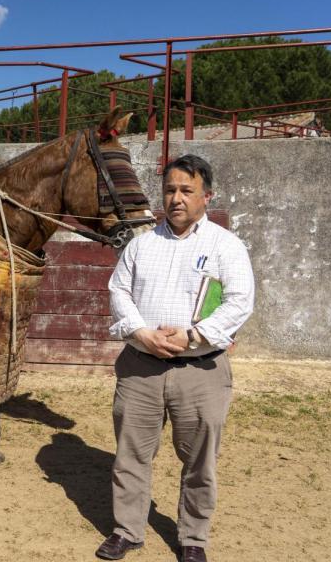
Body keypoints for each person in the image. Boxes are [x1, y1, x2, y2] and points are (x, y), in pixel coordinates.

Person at [98, 154, 255, 562]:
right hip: (140, 367)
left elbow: (239, 302)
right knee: (131, 453)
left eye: (187, 190)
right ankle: (127, 530)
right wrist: (141, 332)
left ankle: (193, 538)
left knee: (200, 459)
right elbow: (119, 293)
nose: (176, 198)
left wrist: (193, 334)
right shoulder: (140, 245)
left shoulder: (226, 246)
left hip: (201, 369)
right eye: (170, 190)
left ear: (207, 196)